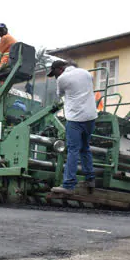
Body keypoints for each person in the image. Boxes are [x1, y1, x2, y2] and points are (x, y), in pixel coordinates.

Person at [48, 60, 98, 195]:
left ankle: (68, 185)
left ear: (60, 69)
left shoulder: (62, 79)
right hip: (91, 116)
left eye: (55, 74)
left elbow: (60, 95)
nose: (55, 77)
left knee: (73, 150)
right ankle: (90, 179)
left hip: (75, 119)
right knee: (85, 148)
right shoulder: (86, 73)